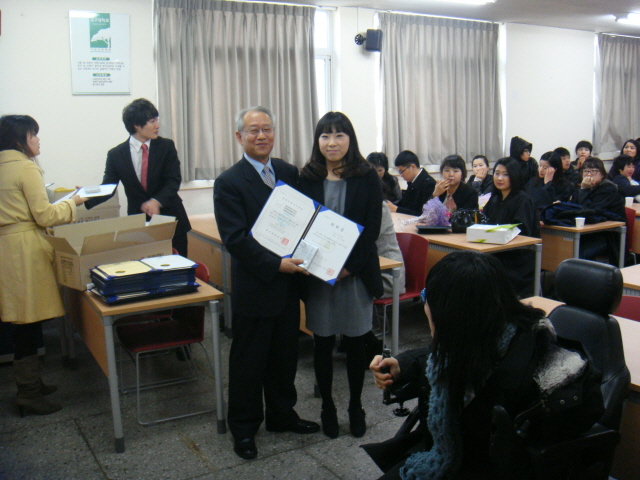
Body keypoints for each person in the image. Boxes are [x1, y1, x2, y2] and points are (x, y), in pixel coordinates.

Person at [367, 251, 602, 480]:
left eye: (429, 299)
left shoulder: (537, 370)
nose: (425, 306)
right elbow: (447, 356)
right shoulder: (485, 331)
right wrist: (404, 365)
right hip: (451, 452)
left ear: (454, 315)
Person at [213, 106, 319, 460]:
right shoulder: (229, 182)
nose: (261, 136)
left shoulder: (288, 172)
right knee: (249, 362)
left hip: (289, 285)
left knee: (284, 356)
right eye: (253, 130)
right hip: (256, 285)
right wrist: (277, 265)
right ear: (239, 137)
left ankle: (281, 415)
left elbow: (305, 218)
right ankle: (244, 428)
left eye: (267, 129)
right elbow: (235, 239)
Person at [298, 111, 383, 440]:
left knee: (356, 342)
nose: (331, 142)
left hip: (355, 274)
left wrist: (348, 268)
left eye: (339, 135)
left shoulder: (367, 176)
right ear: (317, 141)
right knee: (321, 342)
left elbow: (371, 230)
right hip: (318, 276)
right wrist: (319, 268)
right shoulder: (307, 177)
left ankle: (355, 406)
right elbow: (301, 227)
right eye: (325, 135)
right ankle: (328, 407)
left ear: (350, 139)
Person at [0, 115, 87, 416]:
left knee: (21, 319)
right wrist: (75, 201)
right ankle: (28, 393)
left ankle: (32, 383)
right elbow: (45, 216)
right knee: (27, 322)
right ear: (19, 139)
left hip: (7, 248)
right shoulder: (25, 167)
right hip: (25, 249)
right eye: (33, 135)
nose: (37, 140)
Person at [84, 99, 191, 257]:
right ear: (136, 125)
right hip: (139, 224)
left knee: (179, 267)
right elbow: (108, 187)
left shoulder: (166, 146)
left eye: (157, 120)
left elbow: (173, 180)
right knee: (144, 267)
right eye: (152, 121)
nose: (157, 125)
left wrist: (156, 201)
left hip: (171, 219)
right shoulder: (116, 154)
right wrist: (85, 196)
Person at [484, 157, 539, 298]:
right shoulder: (495, 199)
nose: (499, 178)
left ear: (514, 176)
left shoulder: (523, 200)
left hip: (516, 259)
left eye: (505, 174)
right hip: (495, 252)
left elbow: (521, 233)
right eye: (497, 173)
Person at [575, 157, 625, 264]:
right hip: (586, 234)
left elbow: (589, 212)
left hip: (608, 237)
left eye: (594, 171)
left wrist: (584, 190)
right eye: (586, 171)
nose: (589, 175)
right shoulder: (581, 188)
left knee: (576, 254)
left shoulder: (608, 189)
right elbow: (573, 208)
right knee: (565, 248)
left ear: (602, 174)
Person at [386, 151, 436, 216]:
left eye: (401, 171)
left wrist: (397, 209)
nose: (401, 175)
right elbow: (407, 205)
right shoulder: (412, 181)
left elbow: (422, 214)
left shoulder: (429, 184)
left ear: (413, 167)